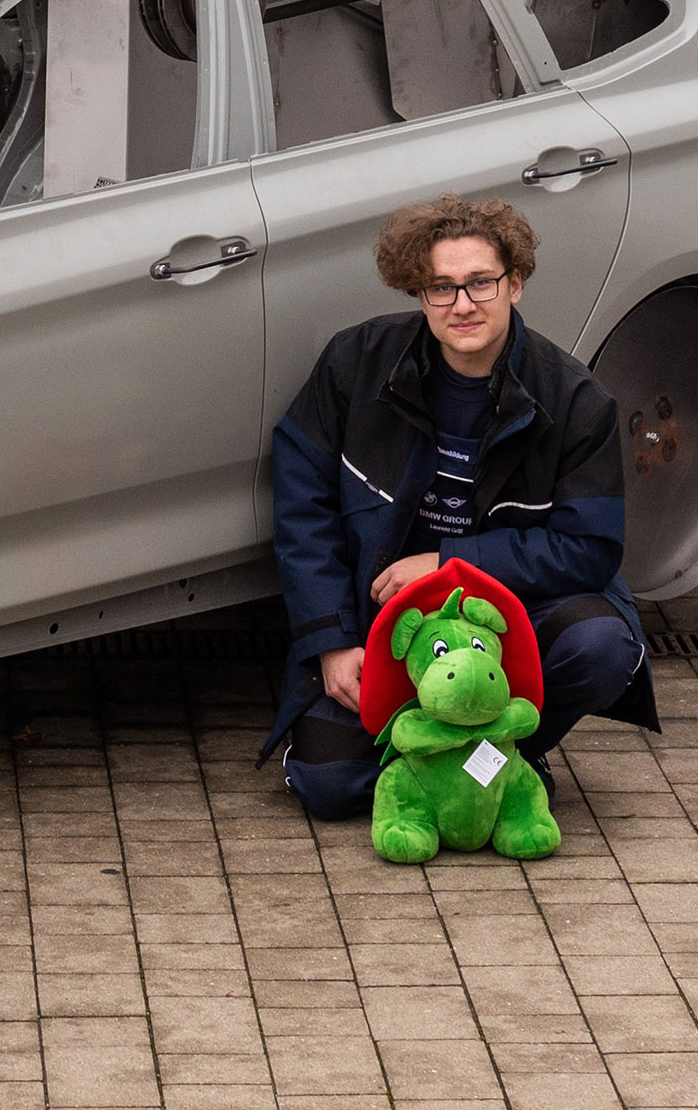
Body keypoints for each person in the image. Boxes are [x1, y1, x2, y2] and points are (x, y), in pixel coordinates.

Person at [263, 195, 654, 820]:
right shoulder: (355, 363)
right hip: (386, 622)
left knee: (602, 646)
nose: (462, 305)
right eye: (440, 288)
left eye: (480, 283)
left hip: (512, 618)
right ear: (418, 294)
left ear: (515, 283)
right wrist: (332, 641)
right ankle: (455, 772)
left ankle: (500, 753)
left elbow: (590, 548)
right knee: (326, 785)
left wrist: (448, 564)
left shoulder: (578, 400)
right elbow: (302, 510)